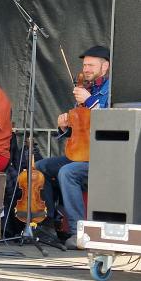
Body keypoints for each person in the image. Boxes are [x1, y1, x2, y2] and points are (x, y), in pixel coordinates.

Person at [36, 45, 110, 250]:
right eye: (84, 64)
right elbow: (83, 129)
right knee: (41, 167)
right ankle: (48, 224)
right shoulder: (90, 89)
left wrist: (90, 100)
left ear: (105, 67)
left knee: (68, 172)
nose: (85, 69)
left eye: (90, 65)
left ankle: (79, 232)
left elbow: (110, 121)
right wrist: (65, 127)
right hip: (83, 153)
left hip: (104, 158)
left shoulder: (110, 89)